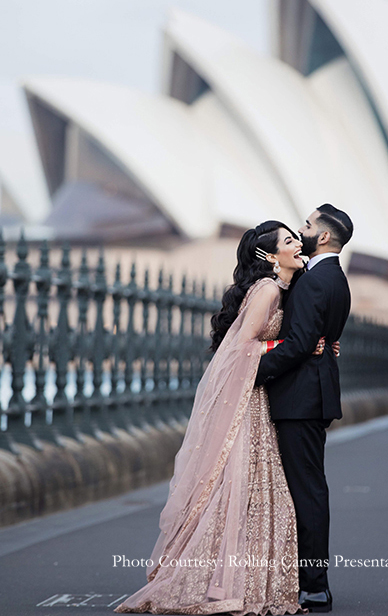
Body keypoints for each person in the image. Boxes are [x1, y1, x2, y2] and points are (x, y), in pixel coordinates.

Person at [114, 220, 337, 616]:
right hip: (250, 402)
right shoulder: (268, 289)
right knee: (239, 491)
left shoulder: (286, 287)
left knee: (254, 495)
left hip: (265, 399)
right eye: (288, 241)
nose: (296, 243)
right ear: (270, 256)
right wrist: (292, 345)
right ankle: (225, 581)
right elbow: (240, 348)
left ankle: (244, 579)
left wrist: (317, 341)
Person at [256, 204, 353, 614]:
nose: (302, 229)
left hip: (300, 399)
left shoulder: (315, 282)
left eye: (308, 225)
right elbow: (317, 339)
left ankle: (314, 585)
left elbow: (298, 345)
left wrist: (248, 371)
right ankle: (305, 580)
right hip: (311, 394)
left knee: (308, 491)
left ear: (325, 237)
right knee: (307, 488)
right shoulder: (334, 279)